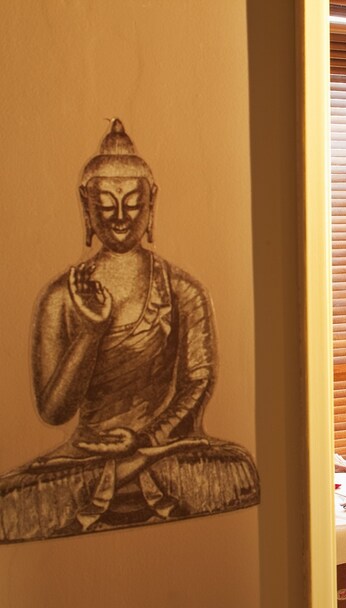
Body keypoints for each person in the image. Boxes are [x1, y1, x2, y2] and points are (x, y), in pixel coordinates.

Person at [0, 119, 259, 544]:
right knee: (11, 501)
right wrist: (90, 332)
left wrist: (144, 439)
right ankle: (116, 476)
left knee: (238, 469)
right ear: (86, 207)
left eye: (133, 203)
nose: (120, 217)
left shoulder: (183, 290)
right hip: (83, 459)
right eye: (105, 204)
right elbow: (53, 411)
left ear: (151, 204)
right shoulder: (60, 297)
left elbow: (198, 382)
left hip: (162, 453)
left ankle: (129, 471)